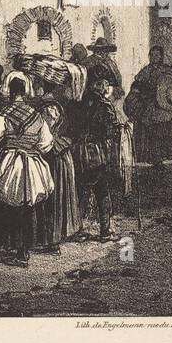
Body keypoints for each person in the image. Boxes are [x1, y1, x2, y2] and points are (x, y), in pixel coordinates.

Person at [0, 76, 54, 265]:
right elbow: (46, 144)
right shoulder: (37, 115)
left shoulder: (3, 113)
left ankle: (14, 248)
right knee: (28, 209)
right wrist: (29, 146)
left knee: (10, 207)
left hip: (9, 163)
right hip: (33, 165)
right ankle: (24, 250)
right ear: (25, 92)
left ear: (10, 92)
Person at [35, 83, 81, 249]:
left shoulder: (49, 108)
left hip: (55, 158)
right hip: (54, 155)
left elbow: (48, 131)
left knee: (53, 198)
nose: (35, 89)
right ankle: (47, 237)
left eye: (37, 86)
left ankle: (51, 239)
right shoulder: (46, 106)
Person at [124, 47, 172, 165]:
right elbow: (136, 87)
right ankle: (154, 157)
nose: (154, 57)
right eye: (152, 55)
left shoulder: (169, 71)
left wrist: (170, 99)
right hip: (151, 107)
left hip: (165, 109)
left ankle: (164, 156)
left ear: (161, 57)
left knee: (164, 132)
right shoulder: (145, 71)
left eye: (157, 55)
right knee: (152, 132)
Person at [78, 80, 120, 241]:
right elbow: (110, 130)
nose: (107, 88)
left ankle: (78, 229)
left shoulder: (80, 102)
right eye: (105, 84)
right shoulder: (104, 105)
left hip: (80, 151)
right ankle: (105, 230)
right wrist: (120, 128)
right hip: (96, 152)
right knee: (102, 190)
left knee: (83, 190)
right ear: (99, 86)